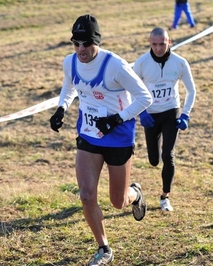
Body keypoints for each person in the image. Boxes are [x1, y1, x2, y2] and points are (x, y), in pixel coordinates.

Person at [49, 14, 153, 265]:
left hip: (118, 136)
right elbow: (70, 85)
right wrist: (61, 108)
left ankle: (135, 194)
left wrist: (117, 119)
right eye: (76, 43)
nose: (81, 49)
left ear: (96, 41)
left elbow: (144, 98)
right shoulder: (70, 62)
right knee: (86, 194)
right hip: (89, 133)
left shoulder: (115, 65)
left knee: (117, 202)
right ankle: (103, 247)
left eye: (86, 43)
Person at [133, 27, 196, 212]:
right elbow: (131, 89)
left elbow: (191, 90)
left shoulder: (180, 63)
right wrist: (141, 112)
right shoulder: (142, 63)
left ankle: (165, 196)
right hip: (150, 115)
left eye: (162, 43)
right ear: (149, 43)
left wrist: (185, 114)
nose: (158, 48)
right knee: (154, 160)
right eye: (154, 44)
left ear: (170, 42)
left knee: (168, 155)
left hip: (171, 112)